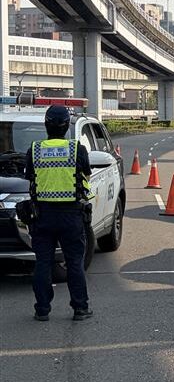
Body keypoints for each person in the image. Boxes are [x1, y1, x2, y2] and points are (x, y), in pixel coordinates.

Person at [25, 105, 94, 321]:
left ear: (46, 124)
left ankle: (42, 310)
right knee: (74, 262)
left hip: (42, 215)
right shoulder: (77, 149)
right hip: (71, 215)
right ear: (67, 126)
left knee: (43, 262)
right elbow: (86, 176)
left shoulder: (34, 149)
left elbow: (30, 179)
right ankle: (80, 308)